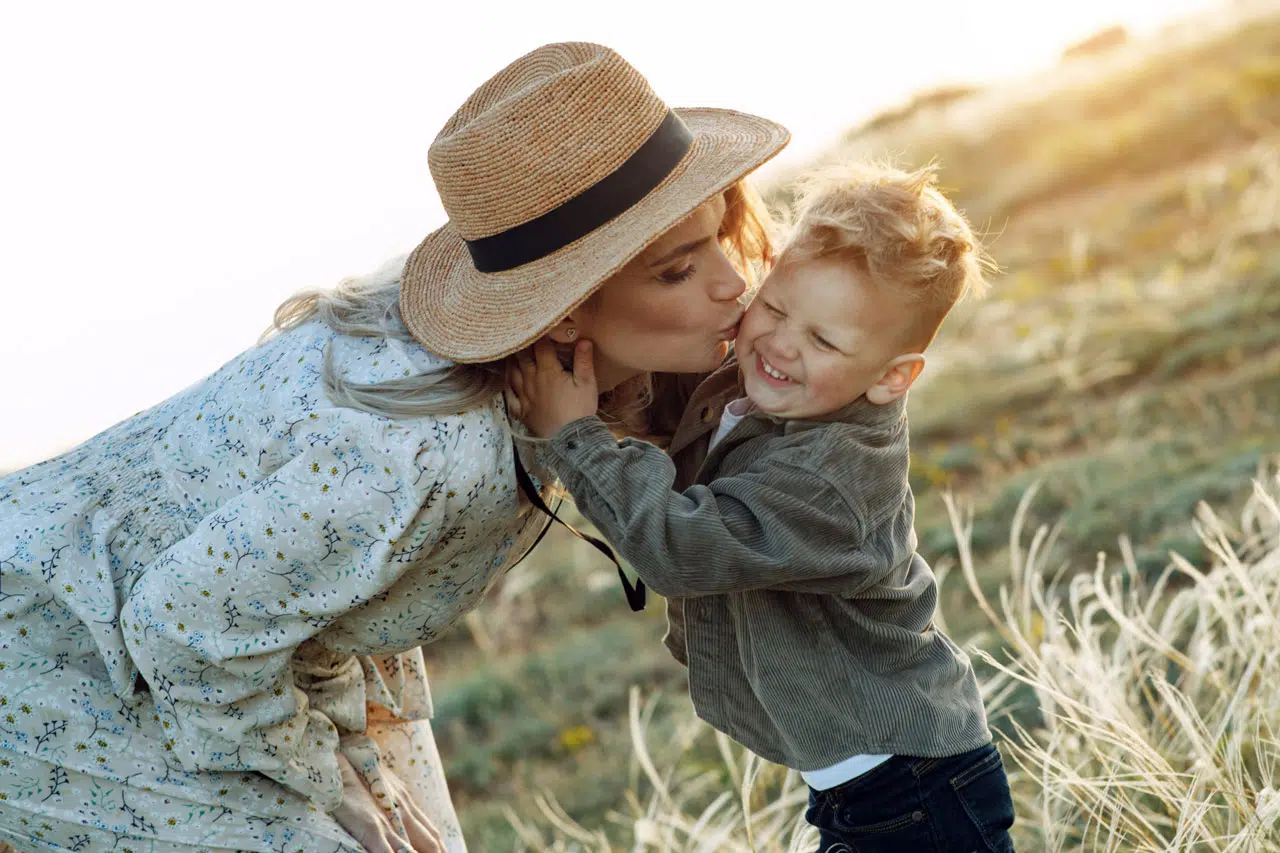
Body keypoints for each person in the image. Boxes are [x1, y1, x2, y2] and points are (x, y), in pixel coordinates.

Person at [0, 42, 788, 853]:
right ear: (559, 311)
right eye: (676, 272)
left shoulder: (570, 387)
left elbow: (306, 598)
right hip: (54, 649)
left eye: (718, 236)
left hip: (252, 646)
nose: (733, 283)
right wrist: (324, 772)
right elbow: (180, 624)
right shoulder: (423, 453)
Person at [505, 162, 1017, 852]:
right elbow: (678, 414)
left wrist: (576, 436)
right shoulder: (767, 384)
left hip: (915, 788)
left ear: (892, 377)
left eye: (824, 340)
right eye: (775, 308)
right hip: (863, 783)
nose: (780, 343)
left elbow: (683, 547)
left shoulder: (832, 482)